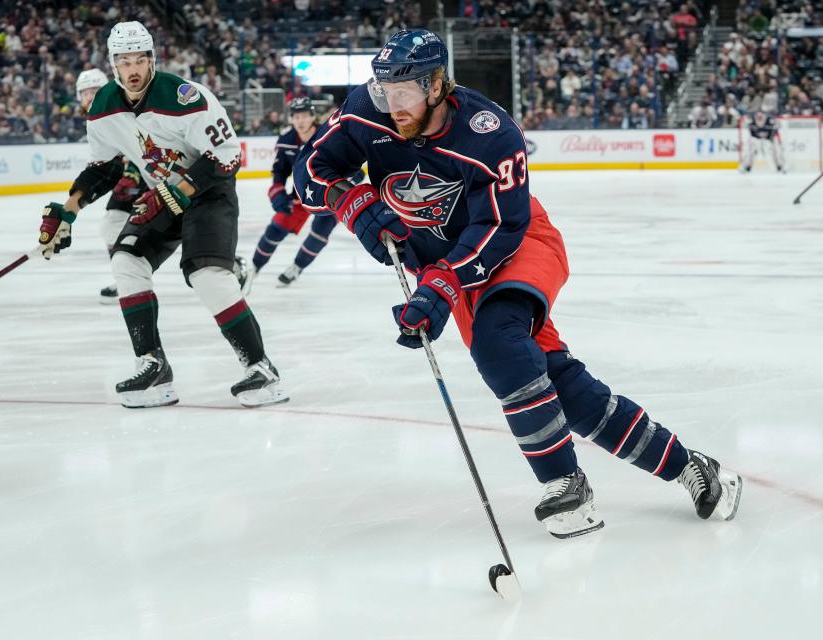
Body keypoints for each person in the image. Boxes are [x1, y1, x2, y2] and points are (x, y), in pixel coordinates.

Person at [295, 30, 742, 538]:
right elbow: (309, 170)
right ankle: (691, 467)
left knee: (499, 342)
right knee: (557, 385)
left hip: (517, 243)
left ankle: (564, 484)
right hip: (443, 265)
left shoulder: (490, 133)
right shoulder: (364, 112)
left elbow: (500, 228)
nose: (391, 105)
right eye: (384, 92)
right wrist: (350, 204)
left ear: (437, 84)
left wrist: (441, 282)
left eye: (405, 93)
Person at [36, 21, 288, 408]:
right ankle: (153, 367)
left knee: (205, 275)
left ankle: (261, 368)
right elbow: (104, 167)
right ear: (113, 64)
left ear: (153, 59)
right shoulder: (103, 106)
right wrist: (68, 210)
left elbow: (226, 157)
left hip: (208, 193)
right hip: (163, 196)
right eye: (124, 61)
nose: (133, 69)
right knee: (126, 259)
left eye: (140, 59)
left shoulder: (186, 97)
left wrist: (175, 190)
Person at [245, 98, 351, 291]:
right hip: (301, 194)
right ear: (291, 119)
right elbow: (279, 170)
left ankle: (297, 267)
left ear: (313, 117)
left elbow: (350, 162)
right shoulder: (286, 140)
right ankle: (254, 267)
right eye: (296, 116)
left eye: (304, 115)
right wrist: (276, 191)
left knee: (321, 231)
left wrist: (351, 175)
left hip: (330, 193)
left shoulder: (329, 134)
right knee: (277, 227)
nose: (300, 120)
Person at [74, 68, 147, 304]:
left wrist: (133, 172)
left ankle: (224, 262)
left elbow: (143, 144)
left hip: (151, 173)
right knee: (112, 223)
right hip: (133, 176)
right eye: (85, 93)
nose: (90, 97)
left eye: (95, 91)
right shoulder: (96, 118)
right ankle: (126, 278)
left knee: (178, 222)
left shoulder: (121, 110)